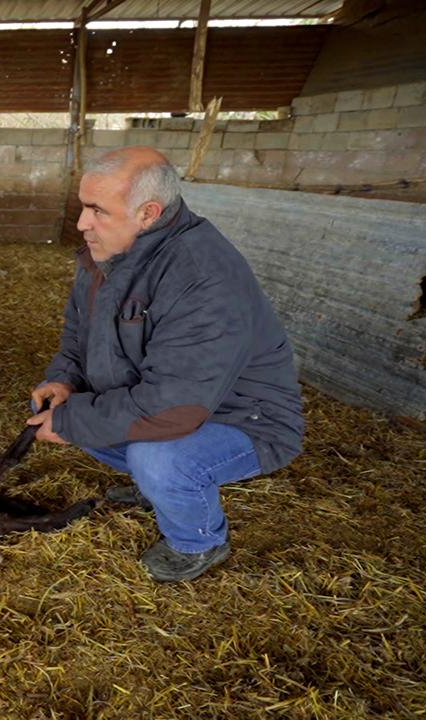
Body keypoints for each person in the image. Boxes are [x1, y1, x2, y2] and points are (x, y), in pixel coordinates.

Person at [27, 146, 304, 582]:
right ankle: (157, 487)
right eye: (83, 206)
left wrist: (72, 420)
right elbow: (79, 333)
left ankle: (199, 541)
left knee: (157, 458)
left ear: (148, 213)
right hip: (168, 401)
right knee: (56, 408)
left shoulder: (201, 277)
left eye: (97, 210)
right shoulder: (107, 254)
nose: (81, 223)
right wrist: (64, 379)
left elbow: (175, 407)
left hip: (243, 418)